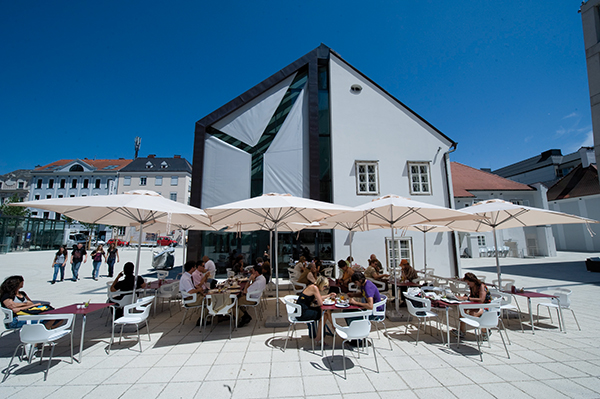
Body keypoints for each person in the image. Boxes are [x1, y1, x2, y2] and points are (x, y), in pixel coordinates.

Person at [295, 275, 336, 342]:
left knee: (326, 312)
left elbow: (317, 298)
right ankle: (332, 328)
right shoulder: (314, 288)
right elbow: (320, 303)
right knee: (324, 314)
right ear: (321, 284)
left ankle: (332, 328)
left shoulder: (313, 286)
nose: (325, 288)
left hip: (302, 310)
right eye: (325, 286)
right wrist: (327, 298)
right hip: (302, 313)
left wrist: (329, 295)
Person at [454, 272, 492, 338]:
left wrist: (468, 298)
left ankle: (485, 331)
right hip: (476, 305)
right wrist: (465, 298)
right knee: (463, 311)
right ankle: (462, 331)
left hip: (485, 306)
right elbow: (473, 297)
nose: (468, 284)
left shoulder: (481, 286)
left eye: (468, 283)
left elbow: (481, 300)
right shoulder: (472, 287)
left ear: (473, 281)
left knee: (474, 314)